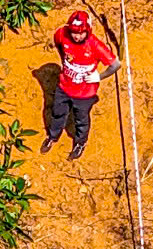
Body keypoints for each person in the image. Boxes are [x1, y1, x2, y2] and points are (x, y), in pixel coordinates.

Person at [43, 10, 116, 162]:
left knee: (81, 120)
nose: (77, 36)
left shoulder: (95, 46)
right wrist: (64, 60)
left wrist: (99, 76)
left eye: (81, 33)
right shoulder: (62, 34)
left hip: (85, 93)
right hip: (64, 86)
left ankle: (80, 143)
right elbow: (58, 43)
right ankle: (52, 136)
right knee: (57, 112)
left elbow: (115, 64)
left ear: (88, 31)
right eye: (74, 32)